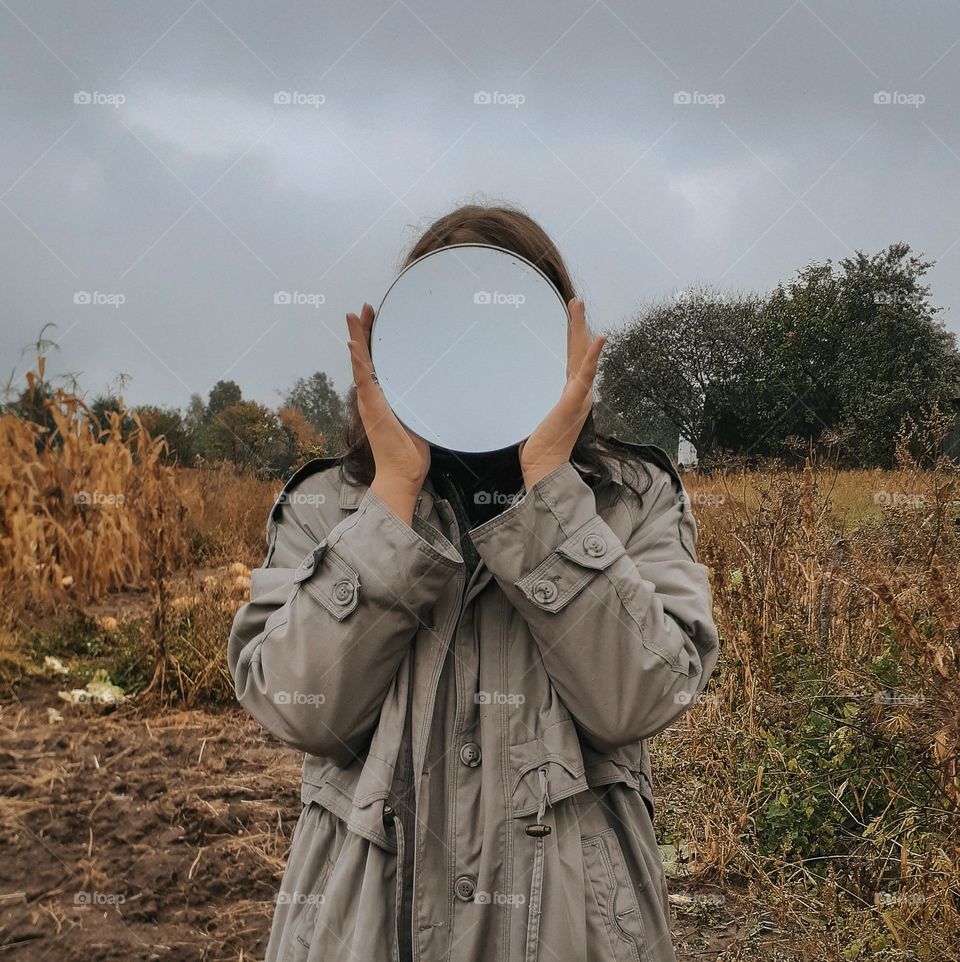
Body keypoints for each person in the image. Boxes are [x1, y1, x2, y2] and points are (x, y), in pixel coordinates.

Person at [228, 203, 720, 962]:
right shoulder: (329, 503)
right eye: (444, 323)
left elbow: (642, 697)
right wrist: (392, 500)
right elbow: (301, 709)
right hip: (359, 930)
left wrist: (551, 496)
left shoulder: (629, 497)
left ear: (559, 341)